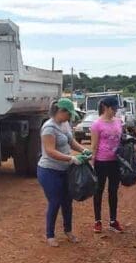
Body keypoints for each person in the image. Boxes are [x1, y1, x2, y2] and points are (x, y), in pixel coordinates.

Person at [37, 98, 91, 247]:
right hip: (49, 170)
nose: (70, 118)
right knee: (55, 201)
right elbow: (50, 151)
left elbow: (71, 141)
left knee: (67, 201)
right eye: (69, 114)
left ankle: (68, 231)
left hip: (64, 170)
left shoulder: (65, 124)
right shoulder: (49, 128)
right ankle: (50, 235)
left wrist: (83, 149)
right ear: (61, 112)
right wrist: (71, 159)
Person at [90, 96, 125, 233]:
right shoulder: (96, 125)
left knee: (113, 191)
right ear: (106, 108)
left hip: (115, 162)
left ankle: (113, 220)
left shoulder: (118, 122)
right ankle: (97, 221)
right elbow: (94, 146)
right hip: (101, 162)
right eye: (113, 108)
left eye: (116, 108)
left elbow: (122, 140)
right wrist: (92, 164)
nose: (115, 111)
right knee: (98, 191)